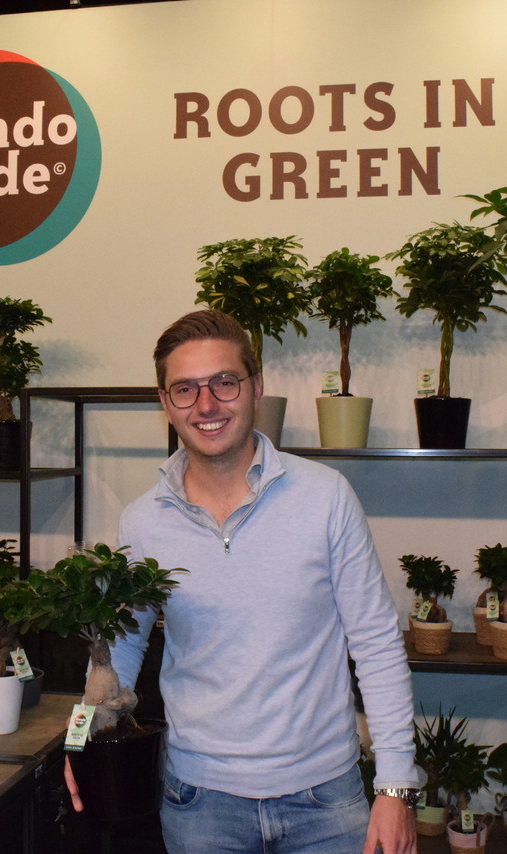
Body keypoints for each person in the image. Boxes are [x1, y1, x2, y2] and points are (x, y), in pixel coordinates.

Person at [66, 310, 418, 854]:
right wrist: (80, 740)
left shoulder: (325, 497)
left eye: (224, 382)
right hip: (199, 804)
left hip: (326, 801)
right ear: (165, 403)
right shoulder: (143, 520)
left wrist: (395, 786)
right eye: (185, 389)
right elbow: (120, 646)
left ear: (256, 387)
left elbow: (376, 643)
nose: (206, 405)